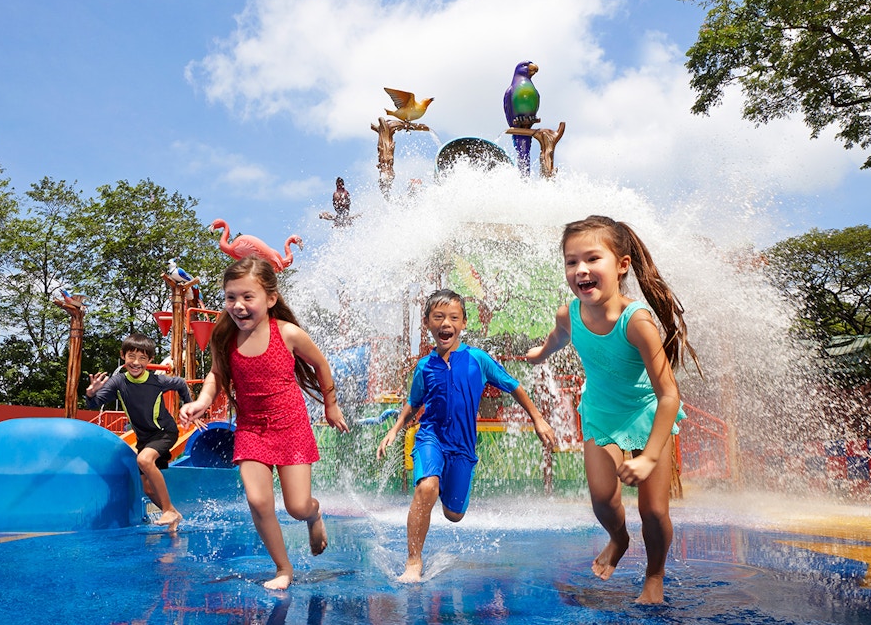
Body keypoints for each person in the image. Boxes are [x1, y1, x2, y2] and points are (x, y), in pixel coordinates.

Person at [526, 215, 700, 604]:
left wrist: (650, 456)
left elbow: (669, 394)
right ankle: (618, 539)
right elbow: (557, 339)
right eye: (572, 262)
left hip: (646, 414)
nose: (581, 270)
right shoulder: (569, 313)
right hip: (601, 413)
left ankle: (654, 576)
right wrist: (539, 355)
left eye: (592, 259)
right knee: (603, 498)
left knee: (653, 511)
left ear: (622, 265)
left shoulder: (636, 322)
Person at [180, 255, 349, 590]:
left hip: (291, 426)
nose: (238, 305)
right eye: (231, 297)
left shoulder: (287, 333)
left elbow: (320, 364)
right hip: (251, 428)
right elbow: (217, 374)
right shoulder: (225, 338)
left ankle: (314, 516)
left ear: (270, 299)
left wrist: (331, 405)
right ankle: (283, 568)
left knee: (297, 506)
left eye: (247, 297)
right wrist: (201, 401)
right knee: (258, 501)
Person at [377, 289, 556, 583]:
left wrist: (537, 419)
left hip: (462, 446)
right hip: (431, 437)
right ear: (427, 323)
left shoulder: (478, 359)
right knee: (427, 488)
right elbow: (414, 402)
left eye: (453, 317)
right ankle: (413, 562)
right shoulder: (425, 366)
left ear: (463, 324)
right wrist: (395, 430)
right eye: (438, 317)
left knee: (453, 514)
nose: (445, 323)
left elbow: (513, 386)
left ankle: (450, 482)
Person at [86, 333, 192, 532]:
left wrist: (189, 408)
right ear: (123, 356)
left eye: (143, 358)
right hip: (144, 439)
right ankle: (174, 515)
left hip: (164, 433)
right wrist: (91, 393)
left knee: (143, 460)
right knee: (148, 488)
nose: (136, 362)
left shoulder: (156, 381)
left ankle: (168, 510)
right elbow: (95, 403)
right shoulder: (118, 382)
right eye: (131, 356)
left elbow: (180, 383)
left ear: (150, 360)